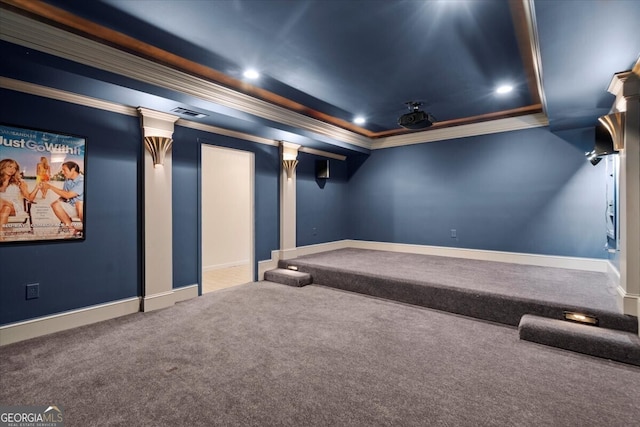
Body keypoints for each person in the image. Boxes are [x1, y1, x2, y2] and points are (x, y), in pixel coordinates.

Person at [40, 161, 84, 236]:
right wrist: (57, 202)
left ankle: (87, 229)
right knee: (55, 204)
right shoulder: (67, 180)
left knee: (79, 203)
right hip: (72, 207)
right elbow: (64, 196)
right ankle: (72, 230)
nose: (63, 172)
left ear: (73, 169)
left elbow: (68, 195)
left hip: (84, 209)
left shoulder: (82, 181)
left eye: (64, 170)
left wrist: (50, 187)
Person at [0, 158, 39, 238]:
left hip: (15, 207)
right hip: (4, 207)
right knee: (6, 208)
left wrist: (37, 188)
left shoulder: (19, 182)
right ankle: (1, 235)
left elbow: (29, 198)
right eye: (10, 166)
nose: (12, 170)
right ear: (2, 167)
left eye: (15, 168)